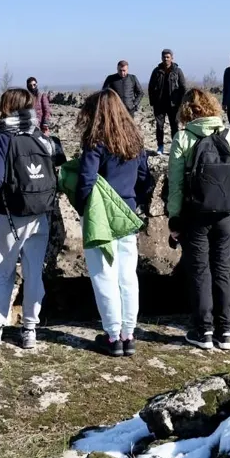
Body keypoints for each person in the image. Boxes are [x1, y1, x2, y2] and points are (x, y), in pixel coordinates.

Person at [0, 88, 60, 350]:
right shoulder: (38, 135)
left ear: (7, 107)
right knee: (34, 272)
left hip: (8, 214)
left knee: (2, 270)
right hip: (39, 213)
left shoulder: (4, 136)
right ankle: (30, 329)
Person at [166, 88, 230, 350]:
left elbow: (176, 185)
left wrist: (174, 219)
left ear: (186, 111)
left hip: (195, 215)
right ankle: (226, 332)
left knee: (200, 271)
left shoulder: (182, 138)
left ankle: (203, 332)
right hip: (227, 213)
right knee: (223, 269)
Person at [75, 90, 154, 356]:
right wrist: (131, 202)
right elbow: (145, 179)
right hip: (127, 214)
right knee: (127, 276)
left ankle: (112, 336)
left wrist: (84, 209)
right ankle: (128, 335)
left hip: (101, 216)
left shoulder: (96, 140)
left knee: (103, 275)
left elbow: (86, 180)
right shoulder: (134, 140)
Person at [148, 49, 187, 156]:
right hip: (159, 103)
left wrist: (181, 102)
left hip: (173, 104)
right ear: (161, 58)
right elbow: (151, 87)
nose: (166, 59)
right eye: (164, 57)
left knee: (174, 126)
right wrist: (152, 101)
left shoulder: (177, 71)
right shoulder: (156, 71)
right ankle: (160, 146)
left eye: (168, 57)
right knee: (159, 126)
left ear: (172, 58)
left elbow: (183, 87)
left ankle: (175, 147)